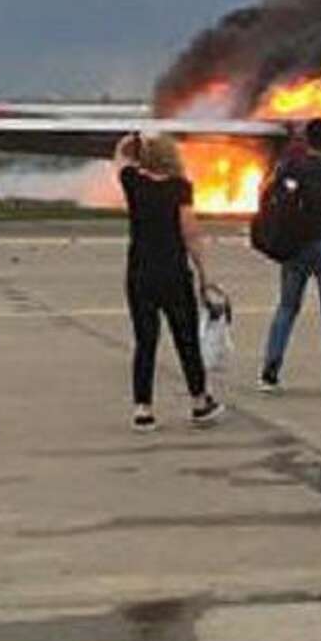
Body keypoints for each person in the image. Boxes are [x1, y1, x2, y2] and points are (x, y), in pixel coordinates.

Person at [116, 133, 224, 433]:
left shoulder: (133, 184)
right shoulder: (180, 189)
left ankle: (143, 409)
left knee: (145, 342)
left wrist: (132, 140)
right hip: (173, 273)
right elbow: (190, 233)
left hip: (140, 273)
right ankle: (200, 402)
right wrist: (205, 275)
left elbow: (120, 158)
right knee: (186, 340)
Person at [259, 118, 321, 396]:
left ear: (307, 140)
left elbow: (272, 188)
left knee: (287, 309)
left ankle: (270, 371)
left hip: (296, 246)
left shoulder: (293, 167)